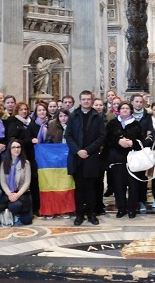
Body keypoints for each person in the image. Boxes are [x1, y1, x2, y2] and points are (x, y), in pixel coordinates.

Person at [65, 91, 106, 226]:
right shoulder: (73, 116)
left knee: (91, 188)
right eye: (84, 99)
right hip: (77, 157)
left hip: (91, 157)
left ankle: (91, 214)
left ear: (92, 100)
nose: (86, 101)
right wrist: (78, 151)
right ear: (80, 100)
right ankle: (79, 214)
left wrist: (87, 150)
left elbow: (101, 137)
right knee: (79, 188)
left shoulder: (98, 117)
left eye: (88, 99)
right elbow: (68, 136)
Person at [106, 101, 146, 219]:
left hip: (132, 159)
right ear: (119, 110)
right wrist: (118, 142)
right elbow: (107, 140)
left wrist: (132, 143)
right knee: (119, 186)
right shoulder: (112, 124)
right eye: (122, 108)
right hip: (117, 159)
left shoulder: (136, 124)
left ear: (130, 111)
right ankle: (121, 208)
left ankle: (132, 208)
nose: (124, 110)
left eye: (127, 108)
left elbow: (142, 142)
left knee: (133, 185)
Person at [43, 108, 74, 219]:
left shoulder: (73, 126)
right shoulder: (52, 126)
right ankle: (53, 208)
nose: (63, 118)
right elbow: (48, 142)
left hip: (69, 159)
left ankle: (65, 209)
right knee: (54, 184)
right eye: (60, 116)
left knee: (66, 184)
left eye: (65, 116)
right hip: (55, 160)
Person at [0, 138, 33, 226]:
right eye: (13, 147)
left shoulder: (26, 163)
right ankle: (11, 211)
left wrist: (18, 195)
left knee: (27, 221)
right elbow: (3, 182)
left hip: (22, 193)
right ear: (9, 149)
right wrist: (10, 194)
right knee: (15, 206)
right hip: (9, 193)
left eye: (18, 147)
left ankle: (17, 214)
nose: (16, 149)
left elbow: (27, 182)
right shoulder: (4, 164)